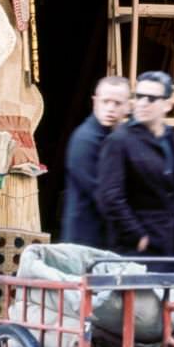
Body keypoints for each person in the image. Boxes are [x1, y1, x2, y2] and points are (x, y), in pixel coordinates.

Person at [96, 70, 174, 267]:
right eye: (139, 96)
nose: (143, 102)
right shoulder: (119, 141)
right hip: (137, 249)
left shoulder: (169, 136)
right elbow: (110, 197)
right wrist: (138, 236)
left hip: (169, 241)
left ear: (167, 104)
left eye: (152, 98)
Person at [60, 76, 131, 246]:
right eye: (105, 102)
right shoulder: (85, 140)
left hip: (104, 238)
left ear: (128, 106)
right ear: (95, 102)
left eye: (117, 103)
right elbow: (104, 195)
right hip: (84, 239)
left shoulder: (117, 137)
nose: (110, 109)